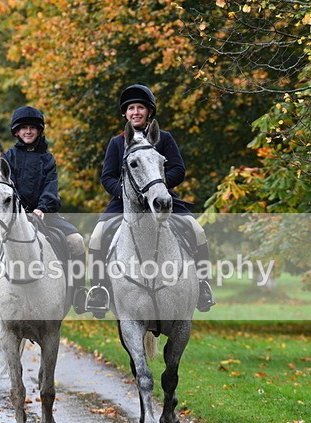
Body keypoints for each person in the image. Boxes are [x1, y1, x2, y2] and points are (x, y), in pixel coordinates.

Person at [82, 84, 215, 317]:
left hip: (162, 199)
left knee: (197, 230)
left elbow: (178, 169)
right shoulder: (117, 142)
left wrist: (157, 187)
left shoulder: (164, 138)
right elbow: (107, 177)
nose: (135, 112)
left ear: (149, 112)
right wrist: (126, 192)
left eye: (140, 108)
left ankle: (203, 285)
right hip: (124, 202)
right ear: (125, 113)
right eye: (131, 108)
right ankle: (100, 289)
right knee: (97, 237)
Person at [0, 106, 86, 314]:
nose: (28, 131)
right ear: (17, 131)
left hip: (45, 214)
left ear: (39, 131)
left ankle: (79, 291)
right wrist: (18, 211)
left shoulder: (48, 159)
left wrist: (41, 208)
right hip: (14, 216)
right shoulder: (9, 157)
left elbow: (50, 187)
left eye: (32, 128)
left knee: (76, 240)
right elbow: (5, 188)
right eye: (24, 128)